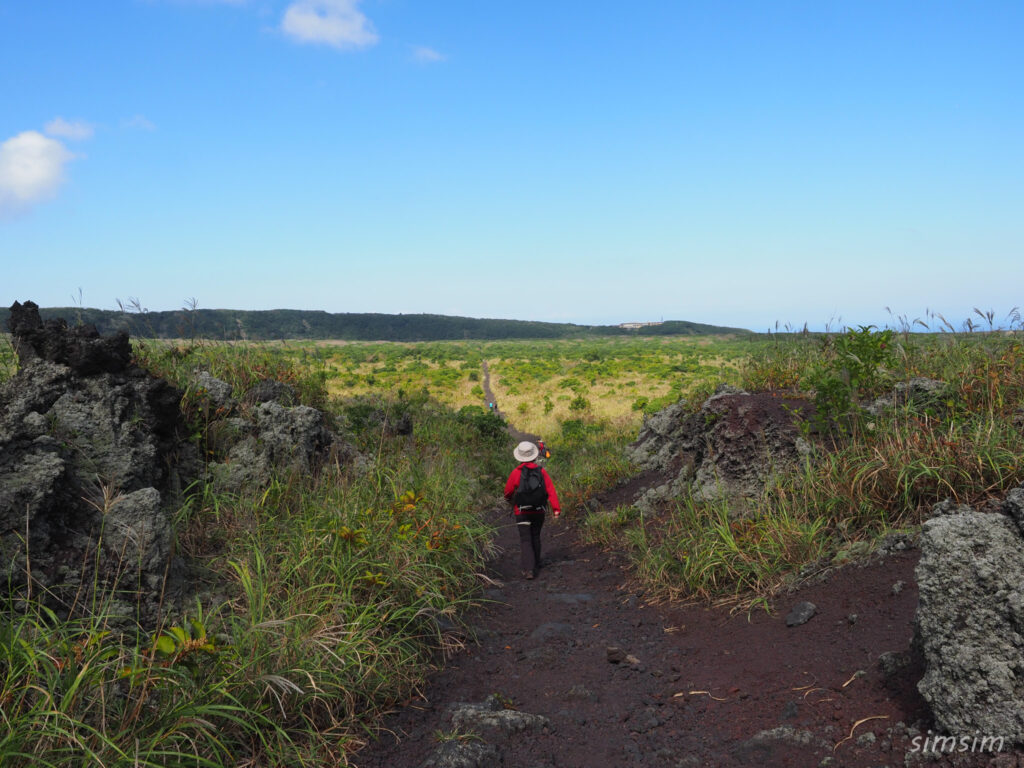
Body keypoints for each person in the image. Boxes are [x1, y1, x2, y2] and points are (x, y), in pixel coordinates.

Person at [504, 441, 561, 580]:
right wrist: (556, 509)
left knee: (525, 539)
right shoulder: (541, 471)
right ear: (534, 456)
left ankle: (529, 569)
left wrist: (509, 500)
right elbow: (551, 491)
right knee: (535, 536)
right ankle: (536, 563)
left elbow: (508, 492)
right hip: (539, 511)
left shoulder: (516, 473)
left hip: (522, 512)